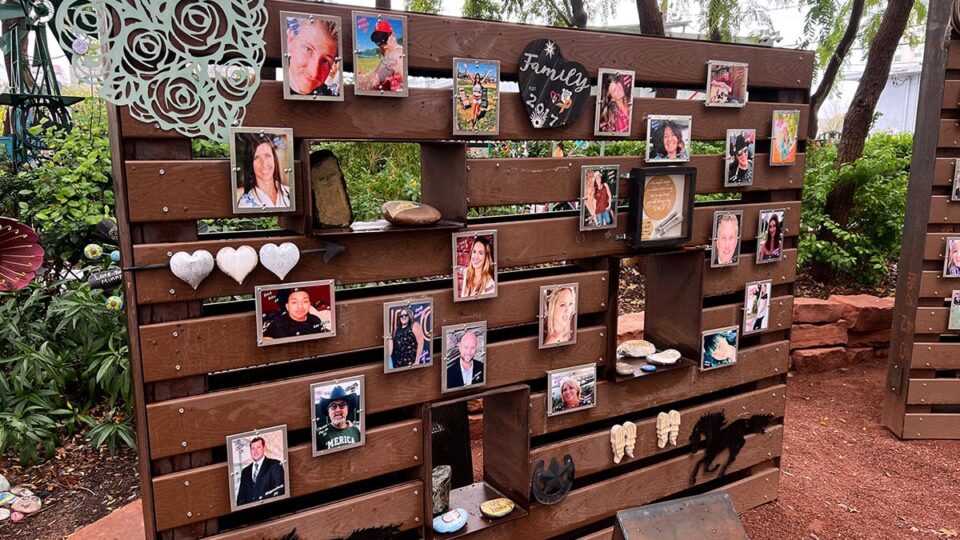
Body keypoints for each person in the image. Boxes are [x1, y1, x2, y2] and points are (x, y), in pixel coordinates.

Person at [285, 15, 340, 96]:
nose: (314, 73)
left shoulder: (331, 98)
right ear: (290, 39)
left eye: (325, 60)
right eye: (308, 49)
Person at [237, 134, 291, 209]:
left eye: (267, 156)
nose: (264, 163)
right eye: (256, 158)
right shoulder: (246, 203)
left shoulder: (290, 193)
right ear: (250, 164)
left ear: (274, 159)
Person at [356, 18, 404, 92]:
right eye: (378, 42)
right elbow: (375, 73)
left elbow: (371, 84)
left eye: (384, 38)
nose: (382, 45)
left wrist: (359, 80)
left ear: (393, 36)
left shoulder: (393, 56)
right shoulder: (398, 52)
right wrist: (363, 77)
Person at [235, 436, 285, 506]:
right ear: (250, 451)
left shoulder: (275, 465)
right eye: (253, 448)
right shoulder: (245, 471)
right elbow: (240, 499)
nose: (255, 451)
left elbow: (279, 492)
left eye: (258, 447)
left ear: (264, 448)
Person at [262, 288, 327, 341]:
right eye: (294, 302)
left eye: (305, 301)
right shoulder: (277, 323)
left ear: (309, 304)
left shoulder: (315, 319)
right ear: (287, 306)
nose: (300, 306)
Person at [315, 385, 362, 451]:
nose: (338, 410)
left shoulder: (356, 431)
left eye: (342, 405)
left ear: (347, 409)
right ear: (328, 411)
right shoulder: (318, 434)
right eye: (333, 406)